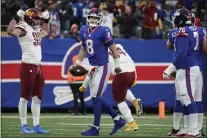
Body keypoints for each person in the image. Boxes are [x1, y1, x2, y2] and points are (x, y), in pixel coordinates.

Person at [75, 8, 126, 136]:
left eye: (95, 18)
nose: (93, 20)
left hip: (103, 67)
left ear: (99, 20)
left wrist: (117, 66)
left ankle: (95, 128)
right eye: (91, 18)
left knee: (96, 98)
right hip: (92, 67)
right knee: (95, 98)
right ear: (88, 18)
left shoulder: (104, 30)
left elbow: (114, 49)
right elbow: (83, 49)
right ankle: (117, 119)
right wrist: (78, 63)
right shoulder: (83, 29)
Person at [79, 44, 143, 131]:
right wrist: (135, 76)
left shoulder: (102, 53)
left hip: (121, 73)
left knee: (119, 100)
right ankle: (135, 102)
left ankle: (132, 123)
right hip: (131, 71)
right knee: (122, 90)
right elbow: (130, 60)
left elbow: (93, 70)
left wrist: (84, 85)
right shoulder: (119, 46)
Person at [7, 8, 50, 134]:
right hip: (27, 65)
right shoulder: (22, 26)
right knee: (25, 96)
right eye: (36, 19)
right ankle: (23, 125)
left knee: (37, 97)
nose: (38, 21)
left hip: (38, 66)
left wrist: (46, 21)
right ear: (29, 18)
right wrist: (15, 18)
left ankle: (36, 125)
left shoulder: (36, 28)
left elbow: (46, 32)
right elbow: (10, 31)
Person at [166, 12, 207, 137]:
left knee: (186, 98)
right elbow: (205, 49)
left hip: (186, 67)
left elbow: (169, 46)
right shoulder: (200, 31)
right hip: (197, 66)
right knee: (194, 99)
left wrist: (170, 68)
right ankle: (196, 128)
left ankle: (192, 129)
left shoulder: (176, 31)